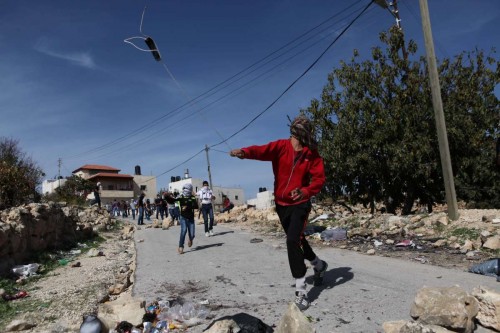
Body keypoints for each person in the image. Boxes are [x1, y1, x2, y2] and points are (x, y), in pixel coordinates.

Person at [229, 114, 328, 311]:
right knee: (298, 239)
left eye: (296, 136)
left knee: (292, 240)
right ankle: (319, 265)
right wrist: (244, 152)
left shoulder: (312, 155)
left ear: (301, 135)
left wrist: (305, 191)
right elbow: (262, 151)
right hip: (282, 204)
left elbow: (319, 180)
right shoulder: (281, 147)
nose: (293, 141)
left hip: (300, 203)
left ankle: (301, 291)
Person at [165, 183, 198, 254]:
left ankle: (190, 239)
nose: (186, 191)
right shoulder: (181, 197)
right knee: (183, 231)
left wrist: (188, 206)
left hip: (191, 218)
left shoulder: (192, 197)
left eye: (188, 189)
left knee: (192, 235)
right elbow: (172, 201)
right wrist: (167, 197)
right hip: (183, 217)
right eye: (185, 189)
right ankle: (181, 246)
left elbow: (196, 206)